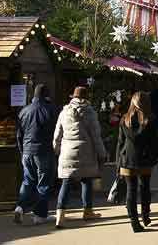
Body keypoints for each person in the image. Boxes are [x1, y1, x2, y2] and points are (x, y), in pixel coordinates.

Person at [53, 86, 107, 228]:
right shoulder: (90, 112)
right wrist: (102, 154)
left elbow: (57, 135)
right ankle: (87, 211)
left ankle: (60, 215)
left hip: (67, 152)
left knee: (66, 183)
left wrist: (57, 149)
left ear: (73, 97)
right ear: (86, 97)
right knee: (86, 181)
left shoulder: (64, 112)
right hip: (86, 152)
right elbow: (96, 136)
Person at [116, 91, 158, 232]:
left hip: (127, 159)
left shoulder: (125, 119)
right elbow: (155, 142)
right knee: (145, 187)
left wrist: (118, 162)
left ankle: (133, 221)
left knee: (131, 190)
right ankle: (145, 215)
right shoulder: (150, 119)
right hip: (145, 158)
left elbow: (120, 143)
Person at [13, 84, 59, 225]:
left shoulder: (24, 111)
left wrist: (22, 151)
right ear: (46, 95)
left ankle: (20, 207)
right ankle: (40, 215)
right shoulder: (50, 110)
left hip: (27, 151)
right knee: (43, 183)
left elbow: (19, 134)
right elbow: (55, 133)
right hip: (43, 151)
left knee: (28, 181)